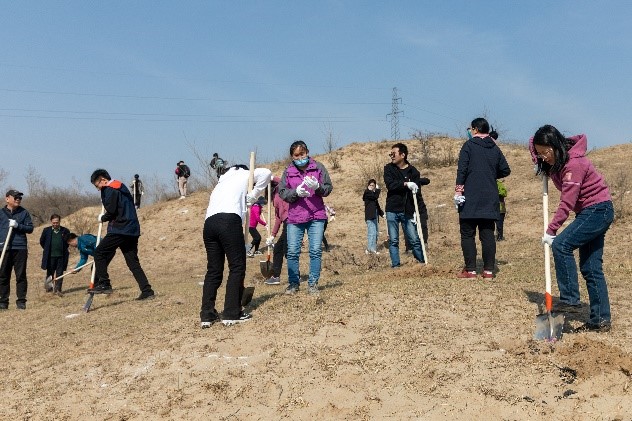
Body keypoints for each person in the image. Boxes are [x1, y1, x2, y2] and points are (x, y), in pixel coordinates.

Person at [530, 124, 614, 333]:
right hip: (591, 211)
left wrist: (551, 230)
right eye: (539, 153)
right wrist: (537, 159)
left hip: (597, 210)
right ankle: (600, 320)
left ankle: (570, 299)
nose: (543, 157)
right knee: (591, 268)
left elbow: (567, 203)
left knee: (561, 245)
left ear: (555, 145)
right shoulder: (557, 160)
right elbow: (532, 141)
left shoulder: (574, 164)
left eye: (545, 152)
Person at [200, 164, 271, 328]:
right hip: (229, 221)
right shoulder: (245, 174)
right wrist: (254, 194)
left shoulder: (222, 182)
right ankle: (231, 313)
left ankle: (207, 315)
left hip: (209, 224)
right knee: (237, 266)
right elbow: (266, 173)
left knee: (213, 270)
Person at [455, 117, 511, 279]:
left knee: (467, 233)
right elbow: (505, 170)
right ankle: (488, 271)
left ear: (475, 129)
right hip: (490, 196)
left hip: (470, 196)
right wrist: (490, 173)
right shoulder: (494, 147)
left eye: (471, 129)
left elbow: (462, 170)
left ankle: (471, 270)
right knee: (487, 234)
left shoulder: (468, 146)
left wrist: (458, 190)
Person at [89, 169, 155, 300]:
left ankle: (104, 284)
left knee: (99, 253)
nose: (98, 189)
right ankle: (147, 291)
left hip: (120, 228)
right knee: (133, 262)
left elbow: (112, 211)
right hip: (132, 229)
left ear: (103, 180)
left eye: (97, 186)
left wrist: (102, 218)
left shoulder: (110, 189)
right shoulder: (121, 187)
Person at [278, 140, 333, 295]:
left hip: (316, 215)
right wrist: (295, 192)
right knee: (292, 252)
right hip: (295, 217)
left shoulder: (318, 167)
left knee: (315, 251)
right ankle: (293, 284)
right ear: (292, 157)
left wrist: (318, 187)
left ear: (307, 152)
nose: (300, 157)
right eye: (296, 155)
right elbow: (282, 192)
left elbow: (328, 188)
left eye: (302, 154)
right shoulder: (288, 171)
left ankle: (313, 284)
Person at [383, 142, 429, 268]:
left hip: (407, 210)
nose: (392, 156)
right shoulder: (389, 168)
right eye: (390, 154)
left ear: (403, 155)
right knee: (393, 240)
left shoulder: (413, 172)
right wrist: (405, 184)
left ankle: (422, 263)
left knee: (414, 239)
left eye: (394, 154)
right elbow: (390, 185)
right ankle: (395, 266)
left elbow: (417, 193)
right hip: (392, 209)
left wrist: (417, 211)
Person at [0, 190, 34, 310]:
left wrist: (18, 226)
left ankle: (21, 302)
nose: (18, 199)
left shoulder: (24, 212)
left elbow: (30, 228)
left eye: (20, 197)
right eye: (15, 197)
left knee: (20, 275)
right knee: (3, 275)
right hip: (4, 247)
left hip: (20, 248)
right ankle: (3, 302)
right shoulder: (1, 213)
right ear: (7, 199)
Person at [265, 176, 288, 285]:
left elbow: (282, 180)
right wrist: (273, 235)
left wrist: (271, 176)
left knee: (287, 250)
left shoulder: (281, 187)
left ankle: (294, 276)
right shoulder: (274, 197)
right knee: (279, 249)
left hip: (292, 220)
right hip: (286, 223)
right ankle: (276, 276)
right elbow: (278, 218)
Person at [39, 214, 70, 294]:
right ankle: (49, 289)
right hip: (50, 256)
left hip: (61, 256)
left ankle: (58, 290)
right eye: (54, 223)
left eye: (57, 222)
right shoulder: (46, 230)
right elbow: (42, 241)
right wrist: (47, 248)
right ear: (51, 222)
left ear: (59, 221)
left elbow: (67, 243)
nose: (55, 224)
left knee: (60, 273)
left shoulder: (65, 231)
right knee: (50, 273)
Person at [489, 129, 507, 241]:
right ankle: (499, 237)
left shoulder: (495, 184)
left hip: (497, 208)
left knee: (497, 224)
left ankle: (498, 237)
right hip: (498, 208)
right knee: (498, 224)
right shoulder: (496, 148)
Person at [363, 179, 384, 254]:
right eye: (370, 185)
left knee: (376, 233)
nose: (372, 187)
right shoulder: (367, 193)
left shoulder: (373, 194)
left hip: (375, 216)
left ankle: (371, 249)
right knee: (372, 233)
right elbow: (375, 197)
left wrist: (382, 214)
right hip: (370, 216)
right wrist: (378, 190)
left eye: (373, 186)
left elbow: (377, 205)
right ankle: (371, 250)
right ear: (368, 185)